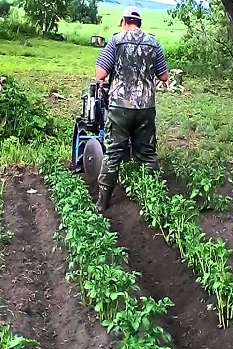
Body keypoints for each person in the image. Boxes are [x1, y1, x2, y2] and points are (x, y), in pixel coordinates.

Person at [94, 5, 170, 213]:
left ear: (124, 21)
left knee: (113, 153)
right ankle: (153, 200)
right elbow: (164, 76)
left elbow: (100, 73)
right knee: (147, 154)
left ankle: (102, 203)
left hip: (120, 107)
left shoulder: (116, 41)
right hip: (146, 107)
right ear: (140, 23)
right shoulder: (153, 43)